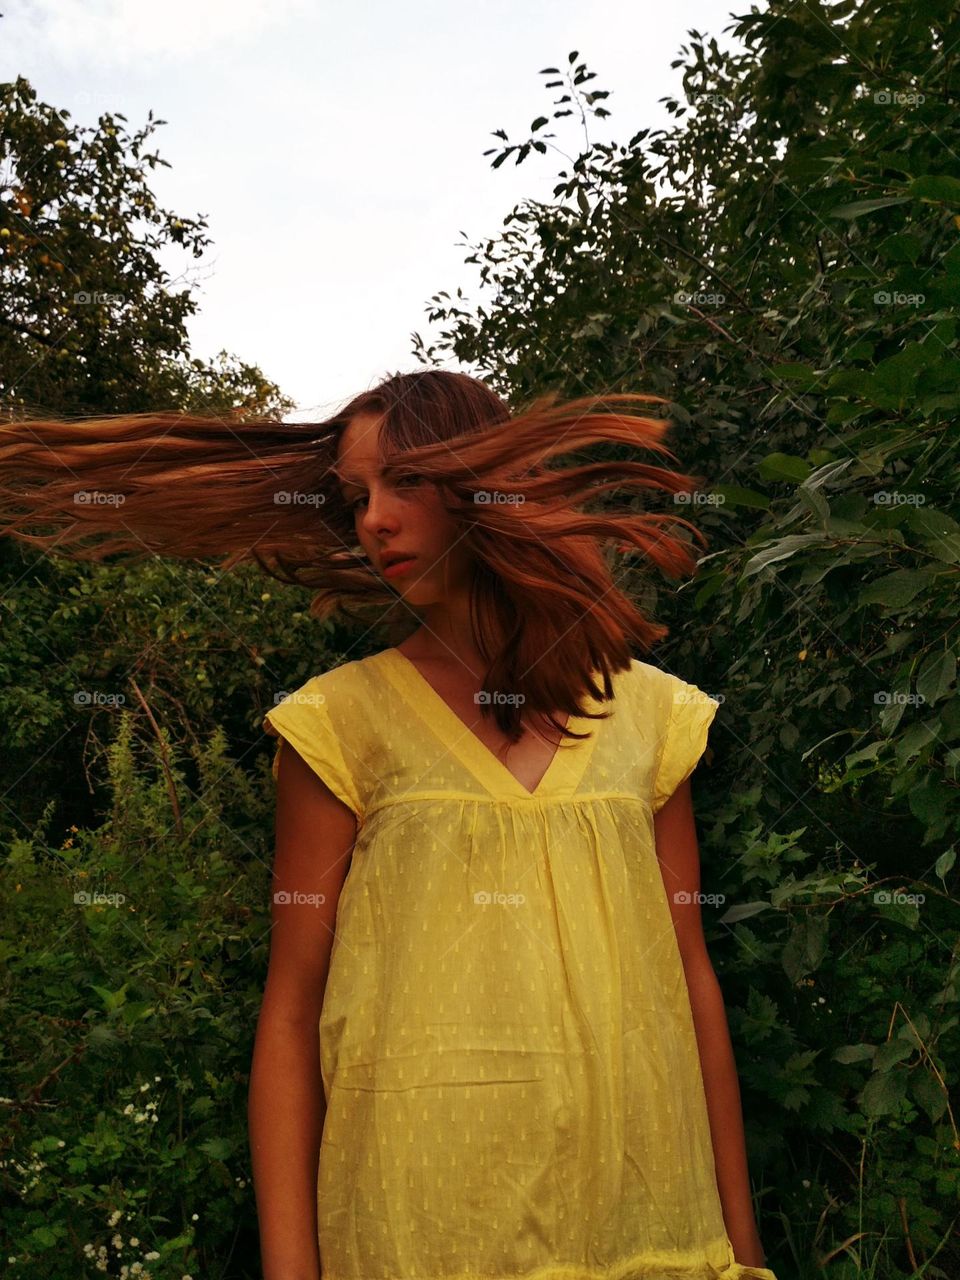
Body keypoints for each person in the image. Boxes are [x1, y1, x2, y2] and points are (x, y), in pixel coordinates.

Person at [0, 370, 776, 1280]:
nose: (372, 519)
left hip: (652, 1237)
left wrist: (743, 1248)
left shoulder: (650, 719)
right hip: (418, 1237)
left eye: (404, 482)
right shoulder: (338, 726)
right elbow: (291, 1015)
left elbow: (690, 984)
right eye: (355, 495)